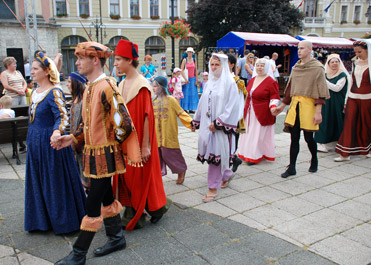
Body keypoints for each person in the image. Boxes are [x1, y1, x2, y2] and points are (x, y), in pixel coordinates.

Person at [53, 42, 134, 264]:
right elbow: (87, 125)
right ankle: (117, 238)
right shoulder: (90, 87)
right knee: (106, 197)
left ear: (95, 60)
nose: (77, 62)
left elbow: (124, 124)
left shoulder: (107, 86)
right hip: (92, 154)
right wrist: (71, 138)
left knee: (92, 204)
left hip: (104, 156)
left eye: (80, 58)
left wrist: (110, 145)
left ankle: (78, 255)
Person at [25, 51, 86, 236]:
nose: (32, 72)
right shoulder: (35, 92)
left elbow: (62, 116)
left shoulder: (55, 91)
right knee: (38, 180)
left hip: (51, 144)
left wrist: (56, 132)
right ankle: (40, 220)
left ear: (45, 71)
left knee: (54, 181)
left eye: (35, 69)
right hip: (35, 142)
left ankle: (64, 221)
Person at [115, 39, 170, 230]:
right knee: (130, 177)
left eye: (119, 59)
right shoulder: (121, 84)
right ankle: (144, 210)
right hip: (126, 140)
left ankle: (147, 211)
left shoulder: (142, 84)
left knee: (143, 176)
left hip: (140, 141)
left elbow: (148, 117)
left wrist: (145, 145)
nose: (115, 63)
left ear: (129, 60)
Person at [272, 40, 330, 178]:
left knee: (309, 138)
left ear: (310, 50)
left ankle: (314, 159)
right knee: (294, 138)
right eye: (298, 48)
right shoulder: (296, 68)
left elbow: (321, 91)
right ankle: (292, 167)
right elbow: (290, 89)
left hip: (309, 106)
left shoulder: (317, 68)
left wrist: (318, 112)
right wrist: (281, 106)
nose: (299, 51)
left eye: (302, 48)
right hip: (295, 106)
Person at [192, 53, 244, 202]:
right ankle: (227, 174)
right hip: (207, 126)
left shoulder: (230, 83)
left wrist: (219, 123)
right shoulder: (209, 83)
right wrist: (196, 120)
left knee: (215, 156)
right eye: (212, 64)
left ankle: (212, 188)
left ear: (224, 65)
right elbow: (202, 103)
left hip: (220, 128)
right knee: (214, 153)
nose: (214, 68)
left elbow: (233, 106)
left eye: (217, 65)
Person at [237, 58, 280, 165]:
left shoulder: (271, 81)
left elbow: (274, 97)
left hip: (262, 112)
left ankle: (255, 155)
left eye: (262, 66)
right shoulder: (252, 79)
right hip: (249, 112)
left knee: (257, 134)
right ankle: (245, 152)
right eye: (258, 65)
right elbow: (246, 94)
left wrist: (273, 106)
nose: (260, 68)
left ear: (266, 67)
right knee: (248, 133)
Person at [334, 40, 371, 161]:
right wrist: (346, 100)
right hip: (353, 97)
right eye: (355, 52)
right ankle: (345, 153)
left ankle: (368, 149)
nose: (357, 54)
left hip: (368, 99)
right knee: (349, 124)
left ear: (367, 50)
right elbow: (351, 82)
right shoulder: (355, 63)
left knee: (367, 124)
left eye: (360, 52)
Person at [152, 76, 193, 184]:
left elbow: (181, 113)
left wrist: (191, 123)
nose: (153, 88)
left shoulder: (171, 100)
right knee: (158, 156)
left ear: (162, 87)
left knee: (171, 154)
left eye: (155, 86)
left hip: (169, 134)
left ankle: (181, 170)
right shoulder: (153, 101)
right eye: (153, 86)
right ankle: (158, 175)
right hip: (156, 135)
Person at [315, 54, 350, 153]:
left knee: (336, 121)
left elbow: (337, 88)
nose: (334, 64)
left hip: (336, 102)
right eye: (332, 62)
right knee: (324, 121)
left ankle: (336, 143)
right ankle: (322, 143)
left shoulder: (342, 75)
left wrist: (324, 82)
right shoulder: (325, 74)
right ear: (328, 63)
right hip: (326, 101)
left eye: (336, 62)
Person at [66, 71, 89, 192]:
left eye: (69, 81)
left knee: (86, 171)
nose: (67, 84)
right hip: (75, 141)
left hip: (82, 142)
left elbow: (83, 123)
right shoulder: (75, 100)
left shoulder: (84, 100)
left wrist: (74, 140)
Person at [227, 53, 246, 173]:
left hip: (233, 117)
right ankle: (233, 160)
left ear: (232, 65)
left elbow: (239, 101)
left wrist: (236, 118)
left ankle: (232, 160)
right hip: (221, 117)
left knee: (232, 141)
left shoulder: (237, 81)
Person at [180, 47, 199, 113]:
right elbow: (181, 70)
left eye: (191, 52)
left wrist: (197, 79)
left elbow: (196, 69)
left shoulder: (194, 59)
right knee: (186, 93)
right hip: (187, 79)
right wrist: (185, 79)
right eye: (188, 52)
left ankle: (192, 108)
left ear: (192, 53)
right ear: (187, 53)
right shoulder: (184, 60)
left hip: (193, 78)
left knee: (193, 94)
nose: (189, 53)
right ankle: (185, 108)